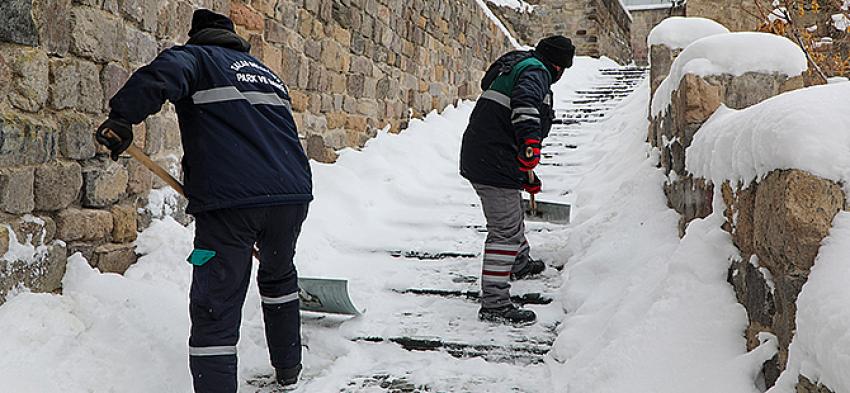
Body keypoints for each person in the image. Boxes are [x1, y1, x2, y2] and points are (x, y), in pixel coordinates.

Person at [94, 9, 312, 392]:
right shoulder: (267, 74)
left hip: (230, 205)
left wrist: (121, 119)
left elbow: (160, 75)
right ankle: (289, 371)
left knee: (217, 302)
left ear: (199, 36)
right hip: (291, 198)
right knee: (279, 276)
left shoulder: (196, 58)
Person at [459, 35, 575, 325]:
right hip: (491, 158)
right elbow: (524, 107)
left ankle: (519, 263)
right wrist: (530, 147)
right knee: (505, 230)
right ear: (558, 67)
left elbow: (505, 120)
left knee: (512, 211)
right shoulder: (536, 72)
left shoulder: (522, 65)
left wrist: (525, 173)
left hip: (490, 153)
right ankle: (495, 303)